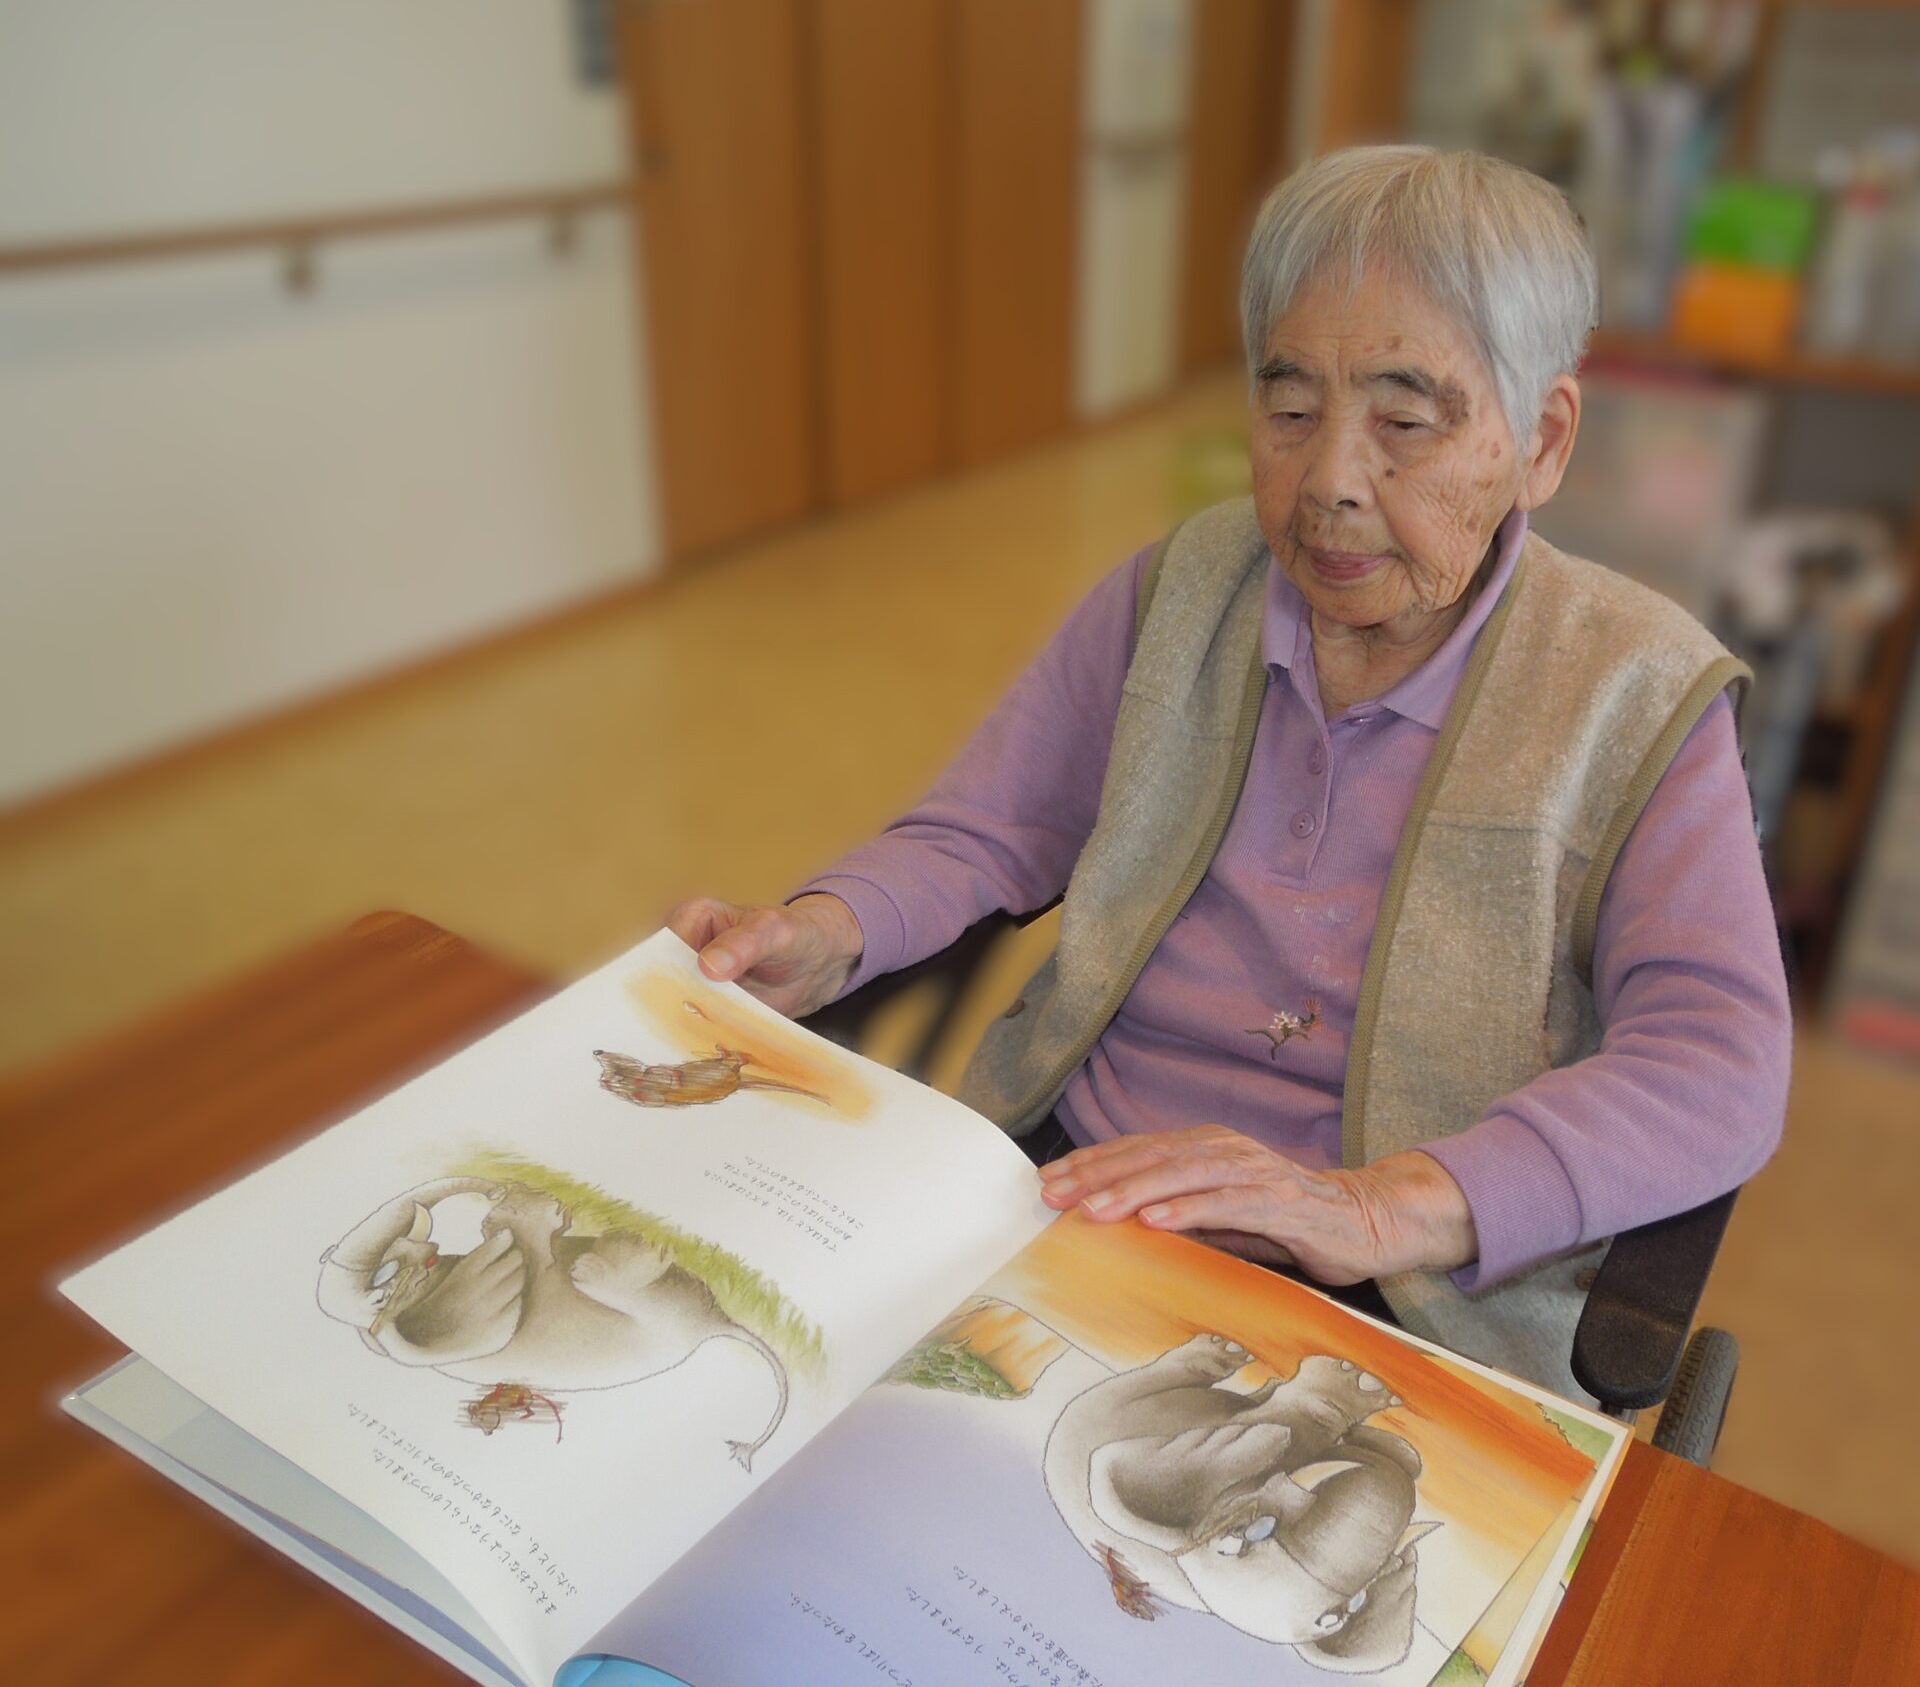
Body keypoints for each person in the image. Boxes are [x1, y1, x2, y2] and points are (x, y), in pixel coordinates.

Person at [667, 146, 1790, 1399]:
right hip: (1081, 1187)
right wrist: (827, 930)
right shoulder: (1183, 591)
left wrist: (1382, 1206)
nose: (1331, 481)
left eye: (1406, 421)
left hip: (1403, 1293)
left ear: (1542, 438)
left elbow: (1720, 1060)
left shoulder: (1635, 691)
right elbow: (988, 827)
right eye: (1290, 409)